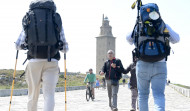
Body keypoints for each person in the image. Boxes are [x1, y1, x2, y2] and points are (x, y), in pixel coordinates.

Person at [15, 0, 69, 111]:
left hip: (34, 61)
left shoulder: (30, 19)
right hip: (52, 61)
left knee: (33, 94)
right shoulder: (55, 19)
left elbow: (18, 45)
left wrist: (24, 46)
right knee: (49, 94)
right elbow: (65, 48)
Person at [126, 3, 180, 111]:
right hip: (160, 63)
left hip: (142, 64)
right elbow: (177, 39)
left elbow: (128, 39)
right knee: (159, 95)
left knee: (143, 95)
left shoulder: (139, 26)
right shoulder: (163, 25)